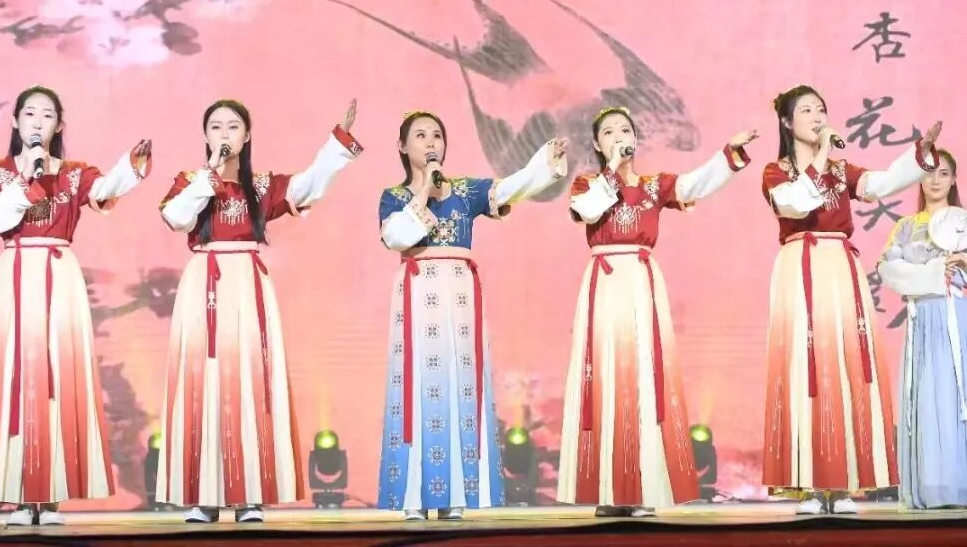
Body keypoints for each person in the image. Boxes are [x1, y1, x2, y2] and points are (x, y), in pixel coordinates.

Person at [157, 98, 363, 523]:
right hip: (204, 282)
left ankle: (249, 494)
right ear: (205, 136)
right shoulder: (190, 181)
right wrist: (209, 175)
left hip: (248, 283)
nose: (225, 134)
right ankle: (204, 496)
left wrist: (337, 143)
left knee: (250, 383)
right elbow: (176, 217)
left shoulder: (263, 186)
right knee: (205, 382)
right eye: (216, 127)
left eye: (233, 126)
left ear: (247, 135)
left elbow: (307, 186)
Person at [555, 106, 757, 517]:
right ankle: (609, 490)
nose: (618, 137)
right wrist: (612, 170)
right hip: (604, 281)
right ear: (596, 144)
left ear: (636, 138)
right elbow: (589, 211)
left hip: (641, 280)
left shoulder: (654, 185)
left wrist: (728, 154)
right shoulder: (587, 184)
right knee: (605, 377)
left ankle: (645, 486)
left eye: (625, 130)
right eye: (608, 132)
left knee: (645, 378)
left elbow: (695, 183)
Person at [0, 85, 152, 526]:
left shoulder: (73, 173)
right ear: (15, 121)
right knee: (16, 376)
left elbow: (106, 188)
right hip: (16, 271)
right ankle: (17, 493)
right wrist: (28, 177)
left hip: (59, 272)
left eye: (47, 115)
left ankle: (50, 496)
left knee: (58, 377)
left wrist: (130, 167)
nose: (37, 122)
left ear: (59, 125)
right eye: (29, 113)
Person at [376, 110, 567, 521]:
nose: (431, 142)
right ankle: (414, 496)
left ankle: (456, 493)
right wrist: (424, 191)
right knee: (418, 386)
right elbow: (397, 237)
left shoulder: (465, 190)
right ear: (402, 146)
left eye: (437, 135)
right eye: (420, 135)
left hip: (461, 297)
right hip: (419, 291)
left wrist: (543, 164)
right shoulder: (393, 196)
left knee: (461, 384)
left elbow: (511, 187)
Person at [760, 84, 940, 514]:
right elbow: (795, 205)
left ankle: (842, 485)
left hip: (840, 265)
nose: (817, 117)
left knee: (844, 363)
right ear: (786, 122)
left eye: (821, 109)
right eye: (806, 110)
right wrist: (823, 153)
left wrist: (918, 155)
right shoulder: (775, 171)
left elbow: (881, 183)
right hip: (801, 263)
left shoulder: (842, 171)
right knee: (805, 365)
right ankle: (808, 484)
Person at [878, 149, 967, 508]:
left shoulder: (963, 222)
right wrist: (931, 273)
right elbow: (887, 269)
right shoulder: (905, 227)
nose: (935, 179)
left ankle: (959, 483)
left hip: (957, 316)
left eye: (943, 173)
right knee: (927, 399)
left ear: (954, 179)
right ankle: (932, 487)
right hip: (922, 321)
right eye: (928, 172)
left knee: (957, 396)